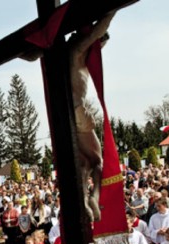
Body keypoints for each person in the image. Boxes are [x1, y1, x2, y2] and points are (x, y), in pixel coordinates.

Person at [67, 11, 115, 221]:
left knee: (83, 163)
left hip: (63, 113)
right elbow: (100, 29)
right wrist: (113, 9)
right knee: (97, 161)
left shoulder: (62, 56)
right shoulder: (77, 52)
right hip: (77, 110)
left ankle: (84, 201)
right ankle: (93, 196)